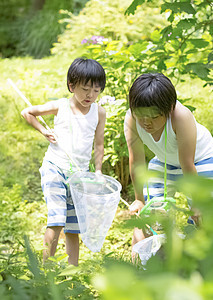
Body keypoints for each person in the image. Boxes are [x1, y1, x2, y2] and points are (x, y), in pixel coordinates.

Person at [21, 58, 106, 266]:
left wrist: (97, 171)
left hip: (79, 176)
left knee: (74, 228)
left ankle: (72, 273)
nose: (90, 95)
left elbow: (99, 145)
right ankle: (45, 271)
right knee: (57, 220)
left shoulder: (99, 112)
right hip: (55, 168)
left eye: (96, 90)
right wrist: (44, 131)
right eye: (85, 89)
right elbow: (27, 112)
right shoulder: (61, 106)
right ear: (71, 86)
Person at [124, 72, 213, 256]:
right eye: (141, 116)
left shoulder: (181, 117)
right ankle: (141, 265)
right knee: (149, 215)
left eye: (154, 117)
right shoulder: (132, 119)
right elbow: (137, 161)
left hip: (200, 161)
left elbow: (187, 163)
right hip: (165, 162)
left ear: (169, 108)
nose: (146, 123)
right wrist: (140, 199)